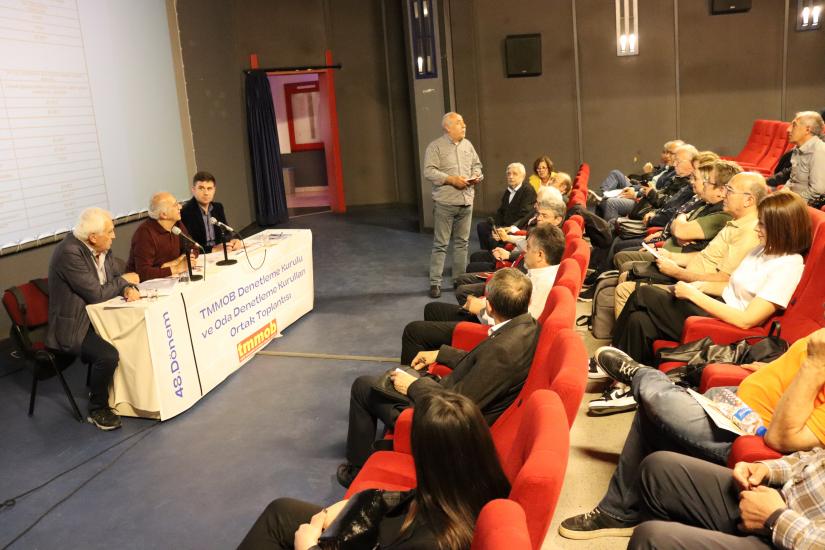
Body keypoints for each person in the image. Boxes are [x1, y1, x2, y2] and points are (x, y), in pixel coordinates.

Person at [559, 325, 825, 540]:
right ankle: (618, 512)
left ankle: (641, 374)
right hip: (735, 402)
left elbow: (781, 439)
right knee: (653, 412)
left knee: (660, 403)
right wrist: (771, 369)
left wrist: (814, 363)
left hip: (749, 431)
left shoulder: (820, 355)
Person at [336, 268, 538, 487]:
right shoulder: (527, 326)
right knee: (395, 378)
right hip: (452, 394)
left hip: (447, 425)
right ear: (527, 302)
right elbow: (480, 363)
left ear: (488, 306)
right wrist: (441, 354)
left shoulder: (503, 352)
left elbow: (456, 405)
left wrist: (413, 386)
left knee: (363, 387)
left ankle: (356, 472)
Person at [239, 392, 511, 550]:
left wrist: (308, 546)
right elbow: (411, 498)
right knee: (282, 512)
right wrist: (355, 504)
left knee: (284, 525)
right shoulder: (471, 486)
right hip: (387, 530)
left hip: (382, 540)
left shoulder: (433, 541)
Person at [612, 190, 811, 366]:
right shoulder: (762, 249)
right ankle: (624, 381)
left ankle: (607, 363)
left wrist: (693, 295)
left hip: (728, 326)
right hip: (717, 306)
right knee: (639, 321)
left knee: (643, 294)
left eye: (763, 225)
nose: (756, 228)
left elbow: (746, 320)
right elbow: (731, 288)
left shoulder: (789, 265)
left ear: (781, 228)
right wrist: (700, 286)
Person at [401, 225, 565, 363]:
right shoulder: (541, 272)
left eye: (528, 248)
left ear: (540, 255)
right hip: (492, 317)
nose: (524, 252)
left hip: (492, 333)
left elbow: (518, 327)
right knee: (433, 309)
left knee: (413, 331)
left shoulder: (543, 283)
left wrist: (482, 309)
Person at [46, 207, 140, 430]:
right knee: (107, 355)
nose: (114, 236)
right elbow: (96, 294)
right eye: (110, 231)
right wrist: (124, 281)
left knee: (134, 337)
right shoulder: (69, 253)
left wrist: (127, 287)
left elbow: (115, 278)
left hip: (100, 318)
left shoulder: (102, 248)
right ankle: (98, 408)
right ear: (93, 237)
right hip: (75, 326)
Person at [628, 449, 825, 549]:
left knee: (651, 539)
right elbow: (815, 455)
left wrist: (776, 518)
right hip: (782, 498)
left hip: (797, 535)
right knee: (657, 470)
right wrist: (767, 469)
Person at [424, 112, 483, 298]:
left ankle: (459, 280)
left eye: (463, 122)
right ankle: (435, 283)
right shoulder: (435, 147)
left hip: (466, 202)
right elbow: (429, 171)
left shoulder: (468, 145)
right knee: (441, 244)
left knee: (462, 243)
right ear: (447, 128)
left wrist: (476, 175)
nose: (464, 125)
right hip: (445, 203)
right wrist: (451, 179)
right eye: (459, 123)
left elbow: (477, 165)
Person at [126, 192, 193, 281]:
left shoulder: (177, 224)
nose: (180, 207)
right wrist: (176, 268)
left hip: (168, 279)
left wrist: (176, 262)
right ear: (163, 215)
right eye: (175, 205)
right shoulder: (144, 234)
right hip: (143, 285)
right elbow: (143, 273)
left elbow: (193, 247)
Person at [475, 162, 536, 250]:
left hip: (516, 227)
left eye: (514, 174)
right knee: (482, 226)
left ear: (523, 176)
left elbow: (525, 216)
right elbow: (501, 211)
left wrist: (509, 228)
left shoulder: (528, 191)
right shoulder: (508, 191)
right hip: (504, 224)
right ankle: (487, 252)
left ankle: (495, 254)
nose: (511, 177)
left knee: (494, 237)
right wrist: (494, 224)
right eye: (508, 174)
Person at [179, 171, 242, 252]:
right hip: (202, 255)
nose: (206, 193)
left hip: (220, 252)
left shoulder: (218, 207)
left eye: (209, 188)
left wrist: (232, 241)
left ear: (214, 190)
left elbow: (226, 233)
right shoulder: (185, 211)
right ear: (193, 190)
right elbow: (188, 245)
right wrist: (213, 249)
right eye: (201, 188)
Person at [785, 110, 825, 205]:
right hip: (793, 200)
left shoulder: (819, 150)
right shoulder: (797, 148)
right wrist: (784, 189)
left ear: (807, 130)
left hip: (805, 205)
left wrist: (793, 202)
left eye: (794, 125)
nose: (788, 129)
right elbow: (792, 179)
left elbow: (818, 190)